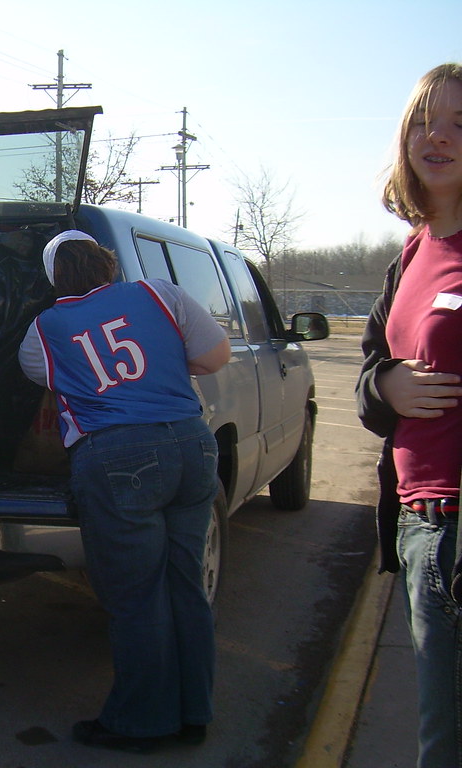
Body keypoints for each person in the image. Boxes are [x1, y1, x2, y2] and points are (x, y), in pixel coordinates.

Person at [18, 230, 230, 753]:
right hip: (191, 443)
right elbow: (215, 356)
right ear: (107, 264)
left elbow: (50, 380)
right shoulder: (162, 293)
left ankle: (142, 722)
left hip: (115, 458)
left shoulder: (41, 331)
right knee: (186, 584)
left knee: (136, 596)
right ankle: (193, 711)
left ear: (54, 279)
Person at [355, 62, 462, 768]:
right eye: (426, 120)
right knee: (440, 735)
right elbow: (369, 367)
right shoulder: (414, 250)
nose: (439, 136)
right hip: (421, 527)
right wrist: (386, 384)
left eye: (461, 124)